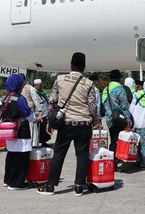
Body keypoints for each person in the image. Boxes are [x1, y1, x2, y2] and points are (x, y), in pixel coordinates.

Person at [37, 52, 100, 197]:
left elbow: (52, 102)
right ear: (83, 67)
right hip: (84, 124)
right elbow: (92, 105)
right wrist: (96, 120)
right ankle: (79, 186)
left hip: (66, 124)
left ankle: (51, 185)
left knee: (59, 153)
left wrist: (49, 121)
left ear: (70, 65)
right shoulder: (88, 83)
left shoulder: (60, 80)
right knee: (82, 154)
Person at [2, 74, 36, 190]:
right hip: (21, 131)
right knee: (21, 156)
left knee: (11, 156)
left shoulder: (6, 98)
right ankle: (17, 183)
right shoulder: (20, 98)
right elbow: (29, 115)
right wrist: (36, 118)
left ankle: (8, 180)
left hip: (9, 131)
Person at [102, 69, 132, 154]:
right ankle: (116, 161)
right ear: (119, 78)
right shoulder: (119, 89)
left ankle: (111, 160)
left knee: (113, 139)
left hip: (109, 120)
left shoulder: (106, 89)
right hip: (119, 119)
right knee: (119, 141)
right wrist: (128, 121)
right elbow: (124, 106)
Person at [33, 78, 51, 147]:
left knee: (44, 129)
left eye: (41, 85)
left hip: (45, 113)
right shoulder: (34, 92)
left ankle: (44, 142)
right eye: (40, 85)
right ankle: (37, 143)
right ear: (36, 85)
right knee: (38, 130)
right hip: (38, 114)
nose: (41, 86)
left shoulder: (43, 92)